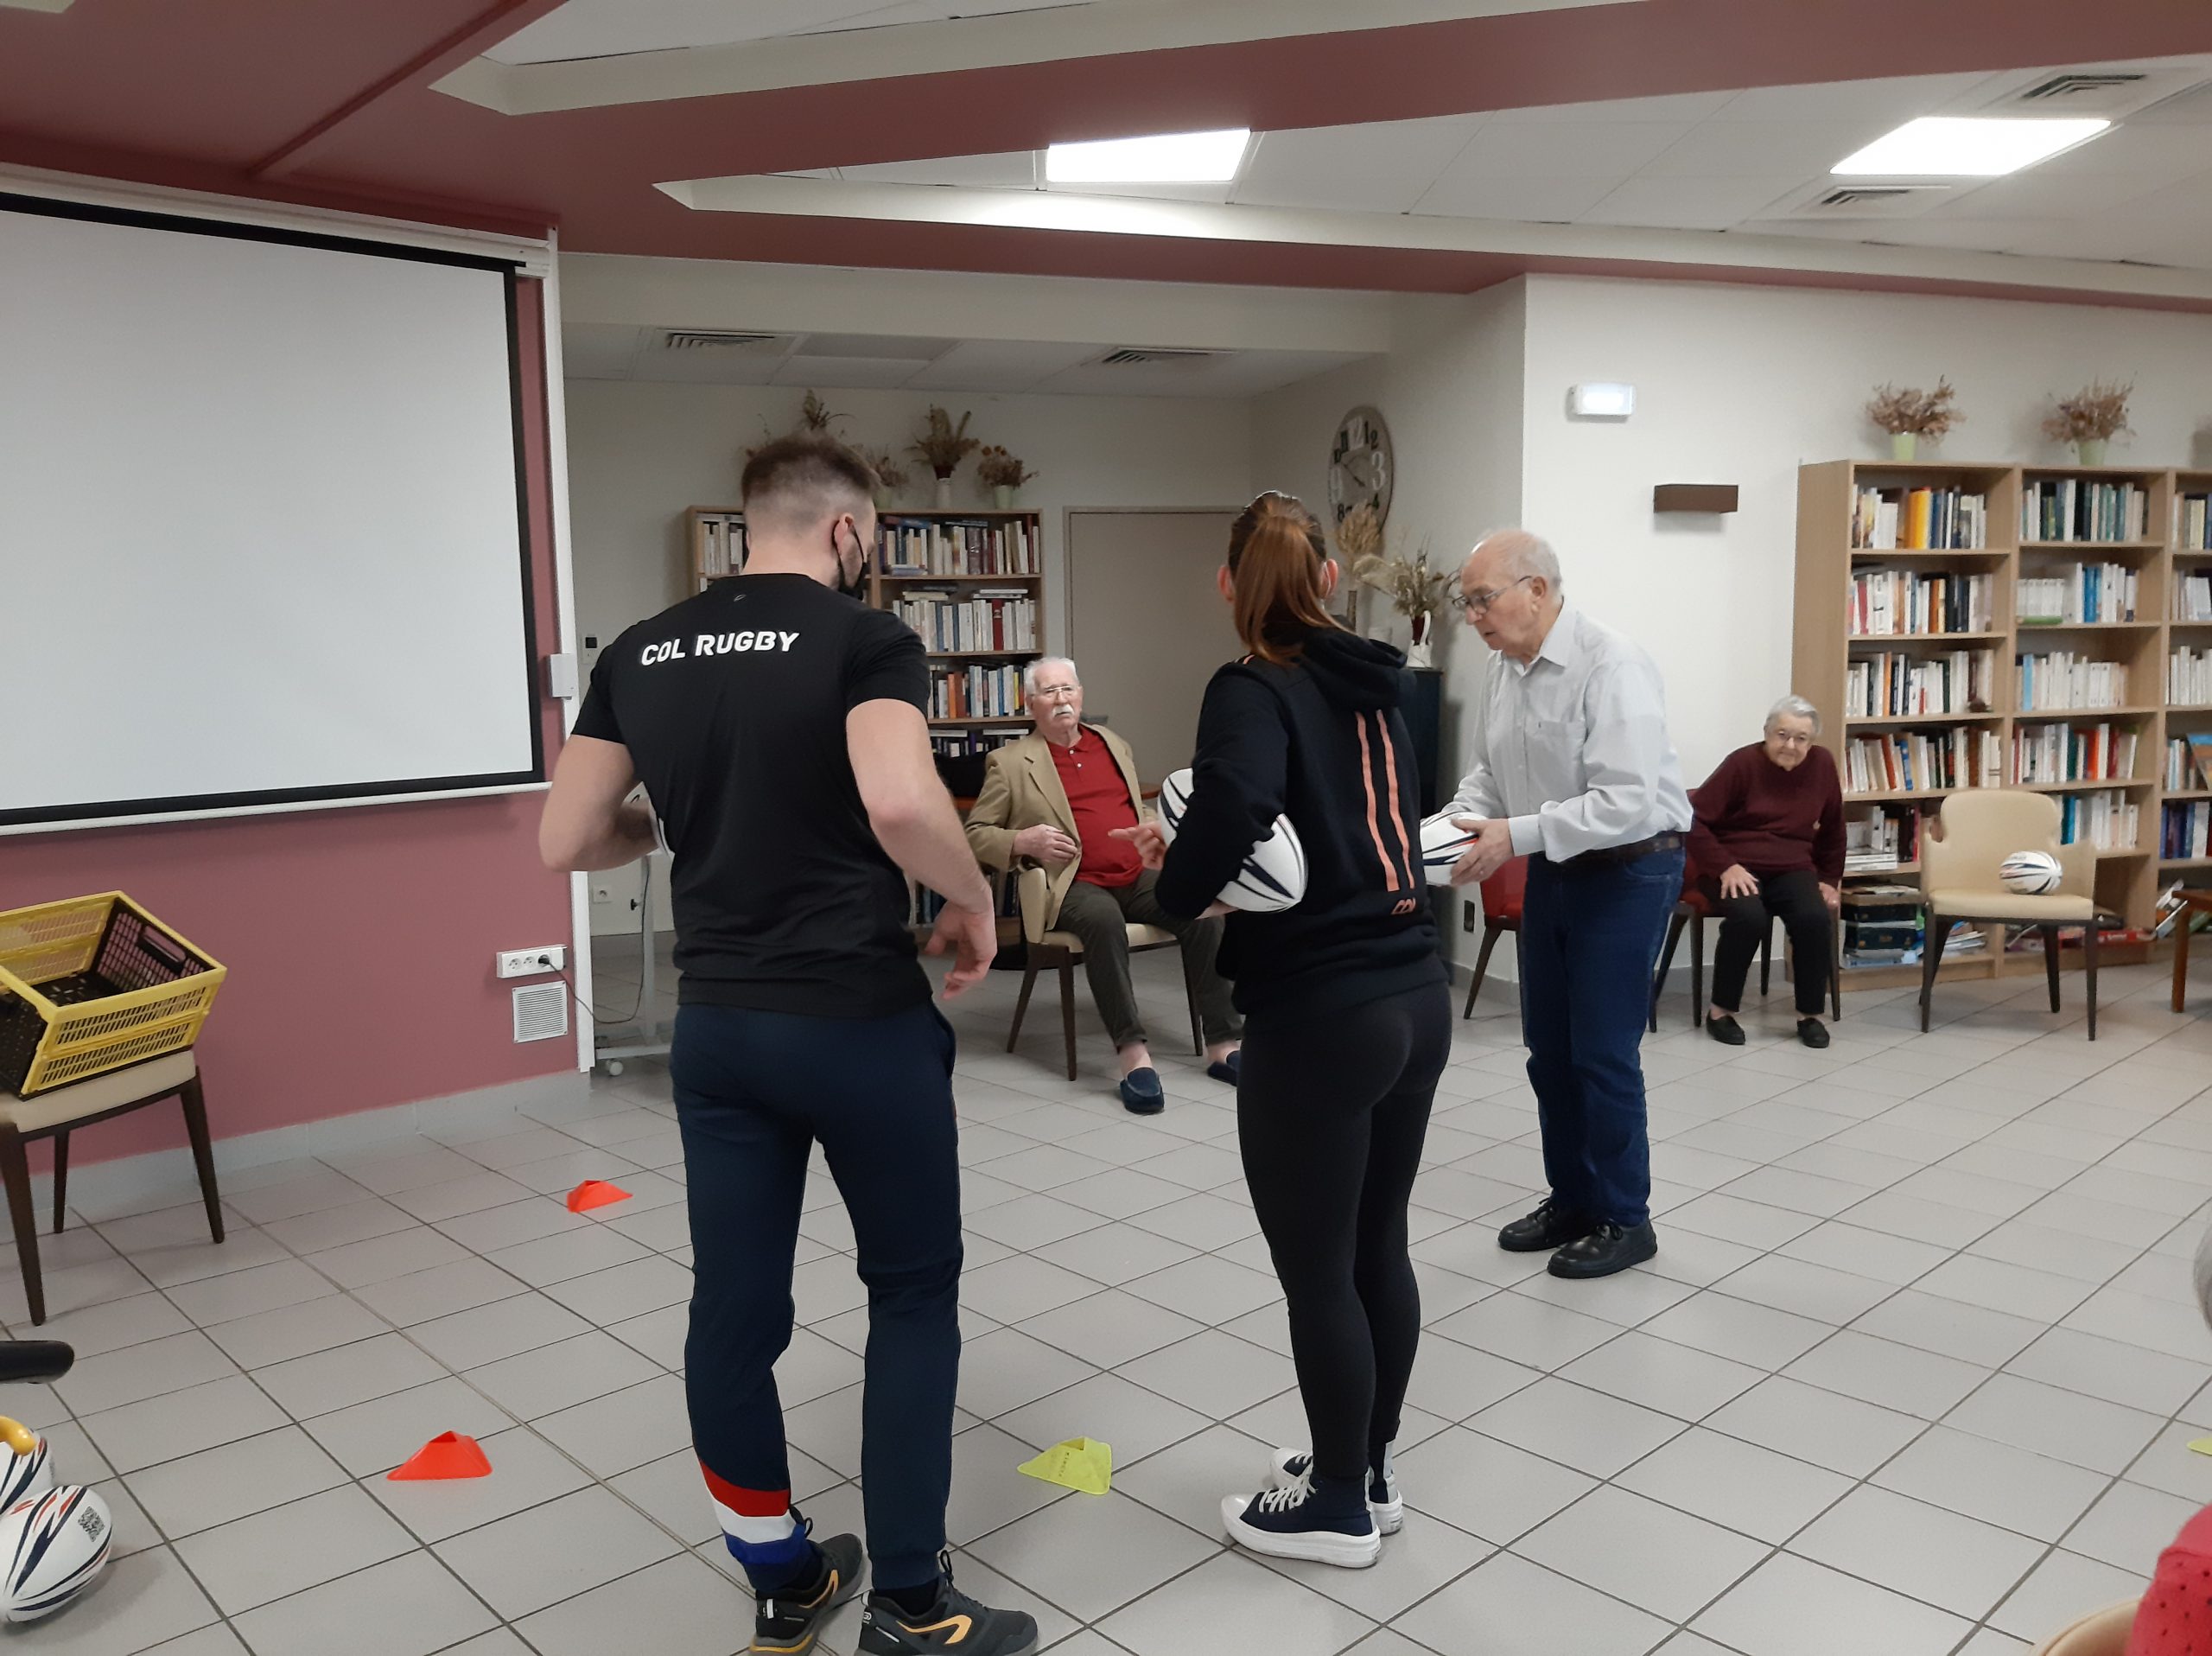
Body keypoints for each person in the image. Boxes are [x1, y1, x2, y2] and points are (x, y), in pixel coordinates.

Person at [540, 433, 1035, 1656]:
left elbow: (566, 837)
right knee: (912, 1295)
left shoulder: (641, 651)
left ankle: (784, 1573)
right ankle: (915, 1606)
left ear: (744, 527)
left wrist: (681, 828)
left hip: (718, 1033)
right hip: (856, 1024)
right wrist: (971, 901)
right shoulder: (866, 640)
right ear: (851, 533)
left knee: (736, 1308)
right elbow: (902, 804)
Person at [1116, 491, 1450, 1570]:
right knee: (1377, 1243)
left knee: (1317, 1269)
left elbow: (1235, 799)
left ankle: (1337, 1502)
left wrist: (1176, 894)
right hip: (1415, 990)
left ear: (1229, 585)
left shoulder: (1249, 686)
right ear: (1328, 583)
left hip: (1321, 1011)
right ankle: (1372, 1467)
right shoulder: (1383, 686)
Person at [1443, 530, 1691, 1281]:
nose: (1474, 617)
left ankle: (1626, 1217)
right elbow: (1490, 772)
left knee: (1603, 1054)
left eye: (1484, 599)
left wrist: (1513, 835)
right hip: (1555, 863)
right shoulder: (1504, 669)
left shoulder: (1612, 664)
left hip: (1628, 870)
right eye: (1468, 603)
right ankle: (1573, 1198)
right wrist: (1451, 827)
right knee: (1548, 1051)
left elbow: (1624, 803)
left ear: (1538, 590)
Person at [963, 655, 1241, 1112]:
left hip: (1135, 874)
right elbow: (976, 834)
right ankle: (1133, 1056)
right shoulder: (1009, 762)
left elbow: (1139, 811)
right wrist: (1023, 839)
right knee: (1103, 920)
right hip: (1073, 884)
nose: (1061, 700)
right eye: (1049, 692)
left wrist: (1153, 832)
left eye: (1068, 689)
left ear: (1081, 694)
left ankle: (1223, 1045)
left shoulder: (1113, 744)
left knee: (1202, 911)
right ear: (1030, 703)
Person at [1687, 694, 1845, 1049]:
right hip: (1734, 866)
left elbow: (1834, 827)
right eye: (1782, 735)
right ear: (1766, 733)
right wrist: (1724, 865)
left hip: (1793, 867)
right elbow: (1692, 820)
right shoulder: (1742, 764)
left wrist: (1829, 880)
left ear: (1812, 741)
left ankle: (1809, 1016)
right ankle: (1720, 1011)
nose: (1790, 745)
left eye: (1800, 738)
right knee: (1749, 918)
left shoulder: (1822, 765)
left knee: (1813, 918)